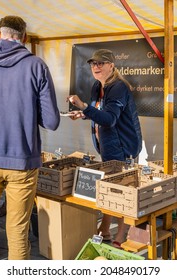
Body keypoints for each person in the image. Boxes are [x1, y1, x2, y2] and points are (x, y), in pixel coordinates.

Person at [0, 15, 60, 260]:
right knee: (17, 232)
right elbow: (51, 121)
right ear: (24, 38)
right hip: (21, 162)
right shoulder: (36, 65)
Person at [67, 49, 142, 249]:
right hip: (105, 145)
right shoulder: (97, 87)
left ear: (111, 66)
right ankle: (106, 228)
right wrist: (83, 114)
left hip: (122, 146)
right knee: (109, 188)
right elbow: (100, 113)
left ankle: (121, 232)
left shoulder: (118, 87)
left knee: (122, 189)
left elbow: (109, 120)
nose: (96, 67)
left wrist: (83, 107)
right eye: (93, 64)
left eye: (101, 63)